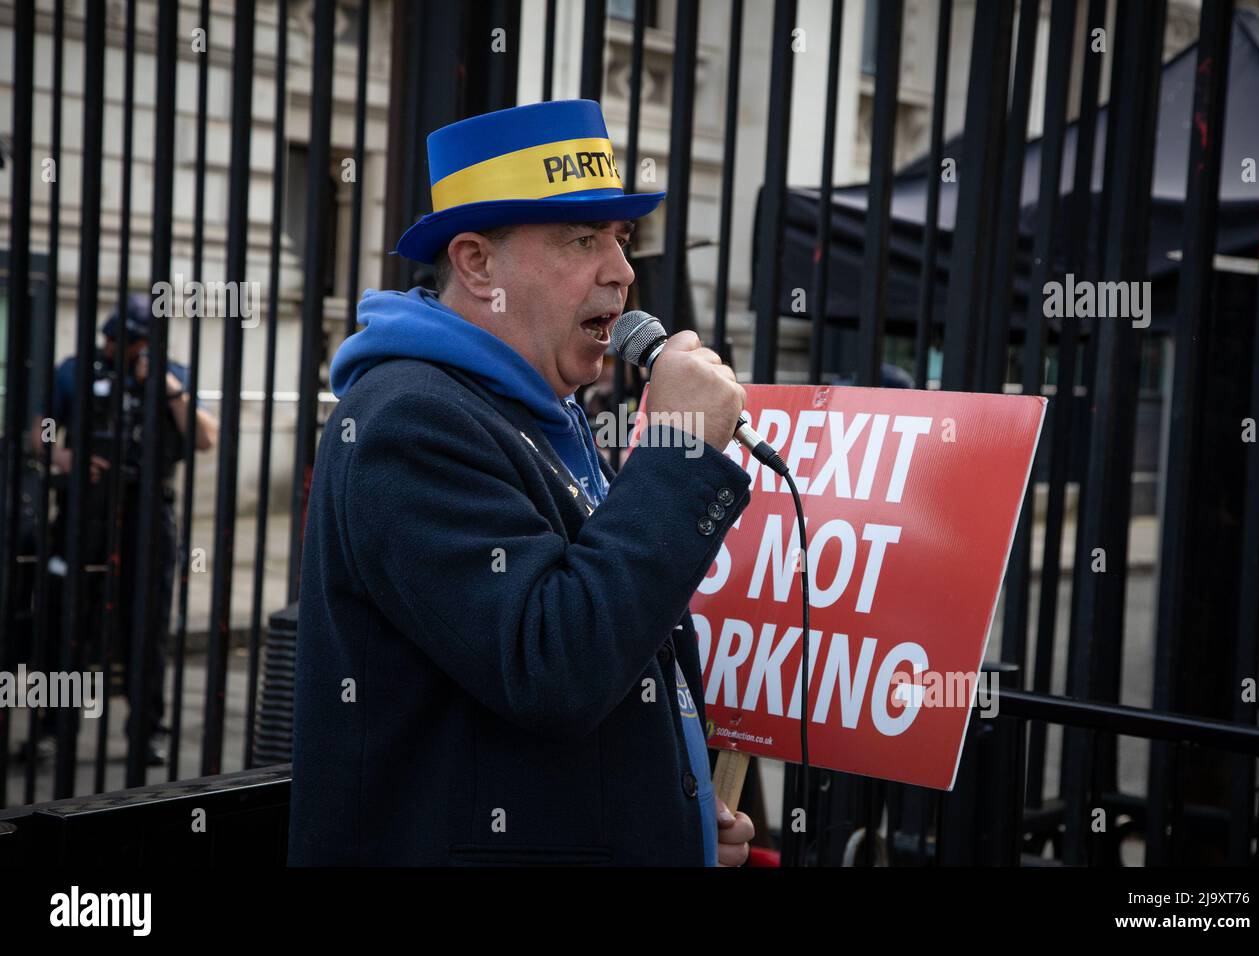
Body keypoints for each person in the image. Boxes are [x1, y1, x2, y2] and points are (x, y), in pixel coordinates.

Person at [290, 99, 757, 865]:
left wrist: (684, 814)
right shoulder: (410, 423)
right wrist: (676, 454)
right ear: (477, 264)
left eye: (620, 237)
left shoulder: (540, 410)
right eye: (582, 239)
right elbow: (555, 667)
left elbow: (611, 636)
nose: (622, 271)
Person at [28, 293, 218, 766]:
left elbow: (205, 437)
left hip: (148, 508)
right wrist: (63, 456)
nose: (116, 346)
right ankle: (53, 727)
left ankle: (146, 730)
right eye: (114, 338)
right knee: (67, 615)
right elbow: (42, 428)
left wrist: (167, 387)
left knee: (147, 622)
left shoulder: (172, 377)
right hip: (84, 506)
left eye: (128, 340)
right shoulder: (77, 370)